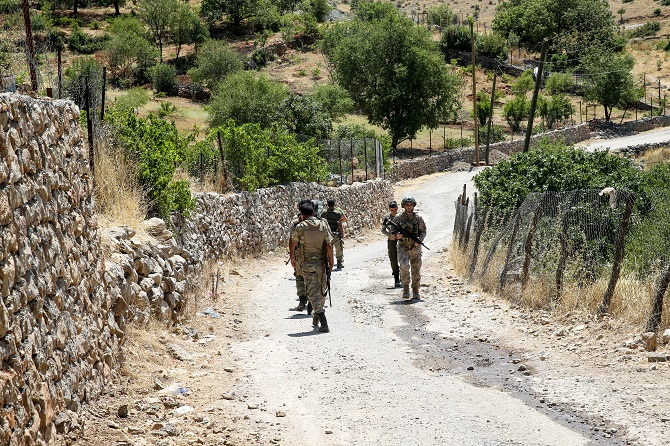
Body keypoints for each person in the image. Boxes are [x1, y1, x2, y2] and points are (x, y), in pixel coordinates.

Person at [293, 202, 334, 332]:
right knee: (322, 290)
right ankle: (316, 315)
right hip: (322, 263)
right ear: (313, 212)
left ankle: (323, 320)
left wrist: (293, 258)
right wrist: (332, 261)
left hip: (308, 263)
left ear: (303, 214)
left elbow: (293, 242)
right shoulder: (323, 224)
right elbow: (329, 245)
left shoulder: (300, 227)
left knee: (312, 292)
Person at [393, 196, 426, 300]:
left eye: (411, 205)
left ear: (413, 206)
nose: (409, 207)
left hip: (415, 247)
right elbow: (392, 231)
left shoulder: (418, 219)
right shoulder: (398, 218)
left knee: (416, 269)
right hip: (403, 246)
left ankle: (415, 290)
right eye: (407, 205)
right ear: (403, 206)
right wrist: (397, 235)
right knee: (404, 266)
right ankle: (406, 288)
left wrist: (419, 240)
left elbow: (423, 231)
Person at [289, 199, 312, 313]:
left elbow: (291, 240)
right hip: (314, 254)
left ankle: (302, 301)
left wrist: (292, 255)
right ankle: (311, 302)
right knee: (312, 278)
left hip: (299, 254)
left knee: (299, 277)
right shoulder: (318, 222)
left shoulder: (295, 222)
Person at [381, 200, 402, 288]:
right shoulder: (387, 218)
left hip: (402, 240)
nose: (394, 211)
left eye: (395, 209)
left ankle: (403, 276)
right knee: (393, 259)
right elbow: (383, 229)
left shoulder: (401, 217)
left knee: (403, 258)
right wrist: (390, 236)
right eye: (392, 210)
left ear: (397, 208)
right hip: (392, 241)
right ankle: (396, 278)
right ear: (389, 209)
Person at [322, 198, 347, 269]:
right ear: (334, 204)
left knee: (328, 248)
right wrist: (342, 233)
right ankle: (339, 263)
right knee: (338, 247)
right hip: (336, 232)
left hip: (327, 233)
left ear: (327, 204)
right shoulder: (337, 213)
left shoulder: (324, 213)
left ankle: (328, 263)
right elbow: (340, 224)